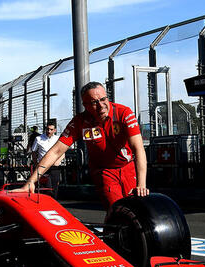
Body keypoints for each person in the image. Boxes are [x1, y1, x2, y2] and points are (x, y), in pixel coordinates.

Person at [20, 82, 148, 209]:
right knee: (116, 208)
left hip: (128, 167)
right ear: (85, 105)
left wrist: (141, 184)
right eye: (94, 102)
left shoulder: (124, 113)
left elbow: (138, 148)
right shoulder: (80, 121)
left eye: (103, 99)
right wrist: (31, 181)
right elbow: (56, 151)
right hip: (104, 171)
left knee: (135, 208)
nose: (101, 106)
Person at [30, 121, 65, 196]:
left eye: (51, 129)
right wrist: (36, 163)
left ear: (55, 130)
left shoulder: (58, 139)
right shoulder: (38, 138)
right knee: (46, 187)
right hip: (43, 166)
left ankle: (54, 203)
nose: (49, 131)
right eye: (47, 129)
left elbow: (62, 152)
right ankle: (45, 203)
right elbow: (33, 152)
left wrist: (58, 161)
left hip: (54, 166)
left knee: (55, 186)